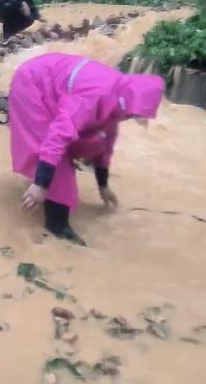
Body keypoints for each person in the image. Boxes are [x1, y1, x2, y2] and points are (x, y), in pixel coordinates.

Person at [9, 53, 165, 246]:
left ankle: (46, 187)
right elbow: (57, 137)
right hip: (32, 85)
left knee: (96, 139)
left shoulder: (117, 95)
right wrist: (41, 184)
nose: (132, 118)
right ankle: (56, 226)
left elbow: (107, 140)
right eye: (134, 115)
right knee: (56, 158)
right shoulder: (95, 96)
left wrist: (103, 185)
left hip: (52, 84)